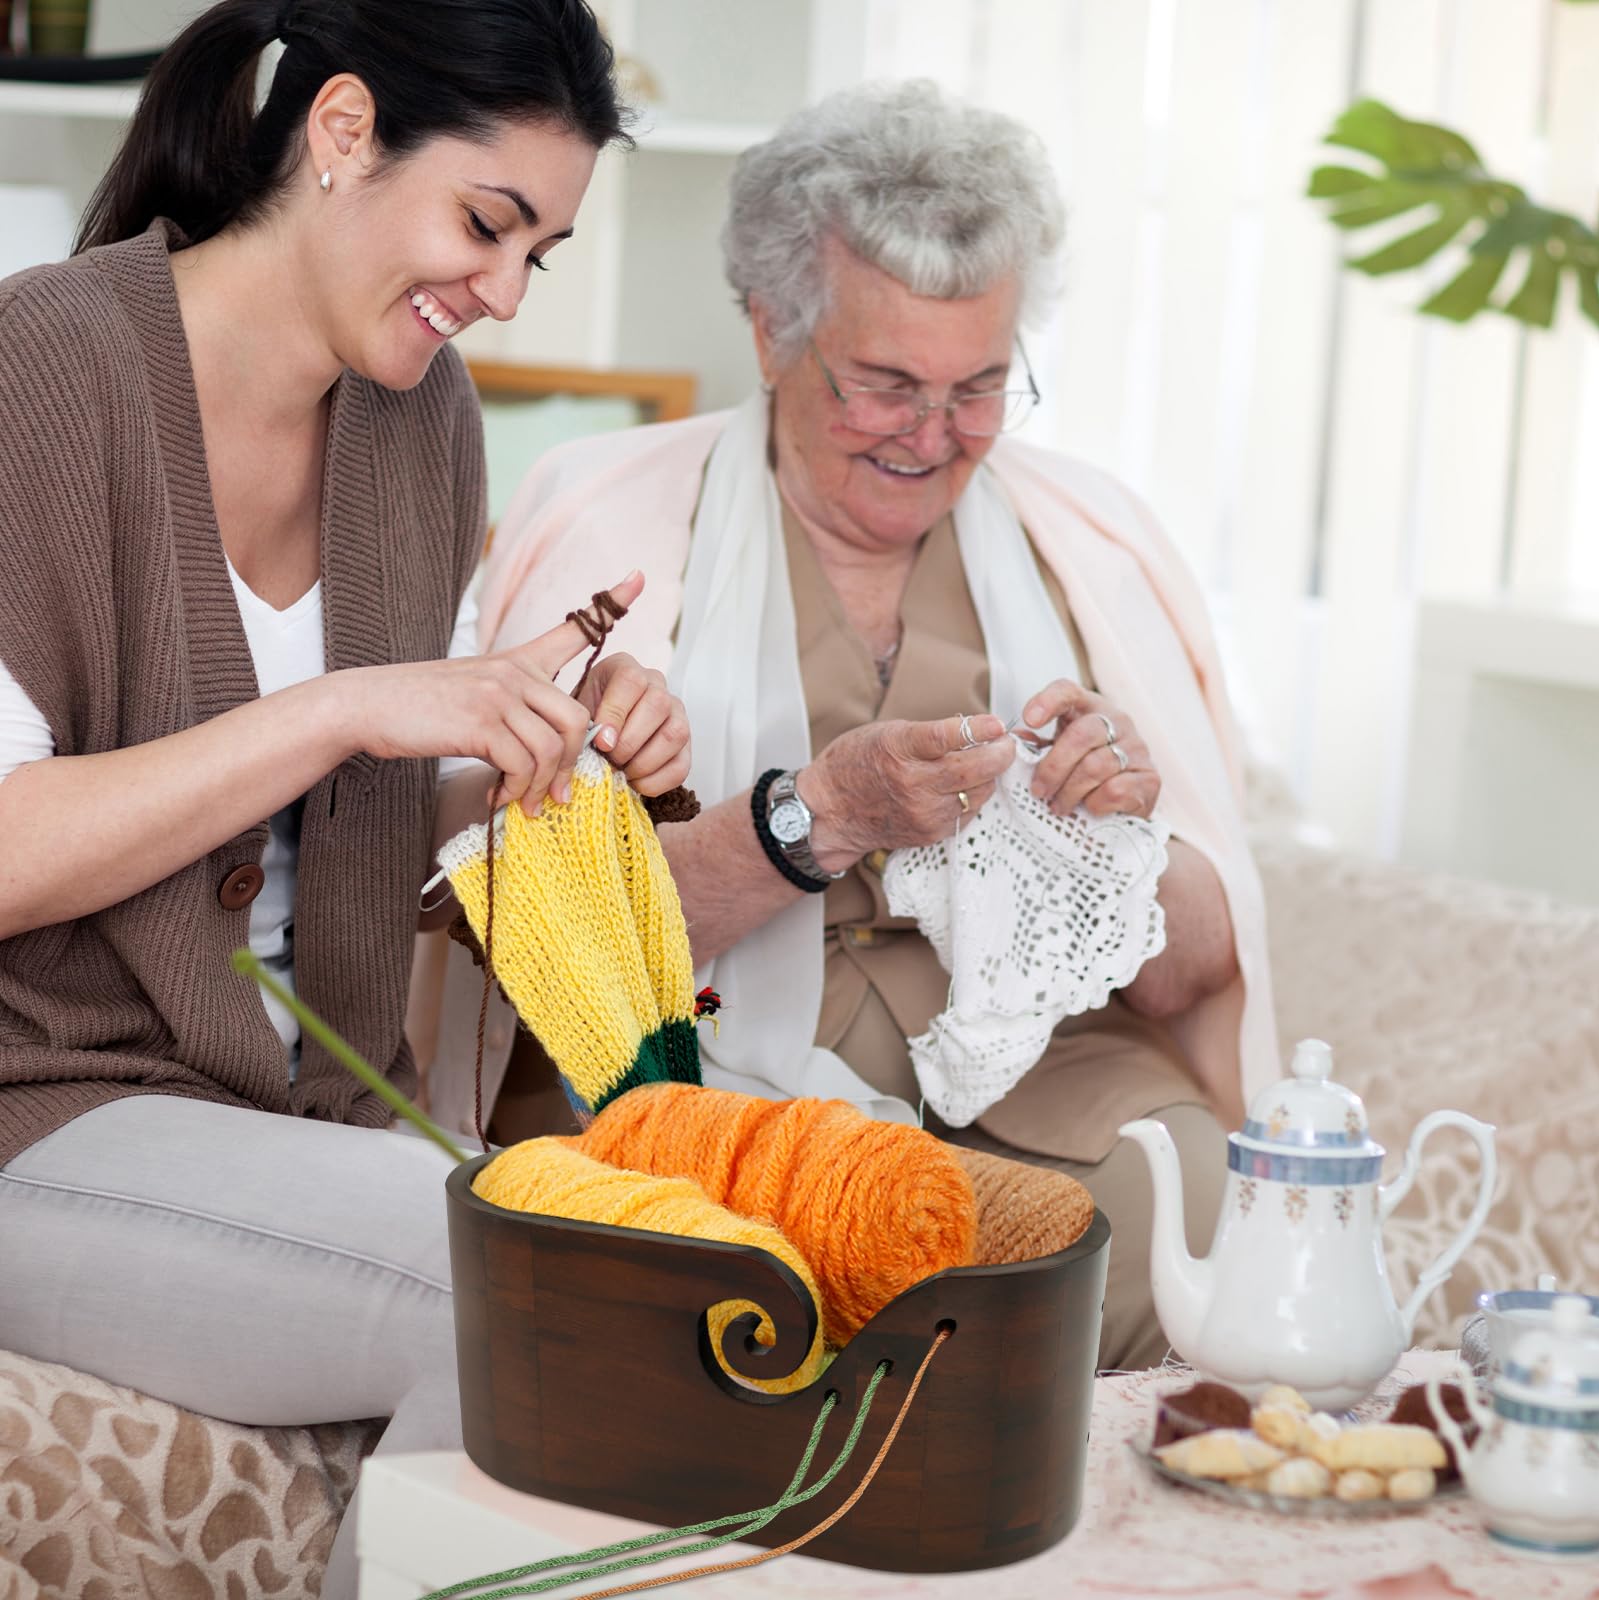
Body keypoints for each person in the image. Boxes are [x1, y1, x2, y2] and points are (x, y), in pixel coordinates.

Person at [0, 3, 690, 1593]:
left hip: (301, 1113)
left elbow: (377, 822)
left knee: (642, 1258)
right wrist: (348, 710)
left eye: (545, 254)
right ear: (341, 134)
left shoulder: (417, 416)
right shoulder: (46, 368)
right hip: (44, 1109)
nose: (505, 293)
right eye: (488, 224)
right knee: (532, 1296)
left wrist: (534, 743)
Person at [473, 80, 1279, 1371]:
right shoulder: (609, 535)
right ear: (769, 331)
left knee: (1222, 1231)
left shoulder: (1097, 555)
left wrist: (1123, 847)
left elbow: (1194, 976)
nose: (936, 436)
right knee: (737, 1279)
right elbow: (537, 938)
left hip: (1040, 1077)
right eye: (887, 384)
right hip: (713, 1079)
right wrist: (823, 817)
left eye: (978, 387)